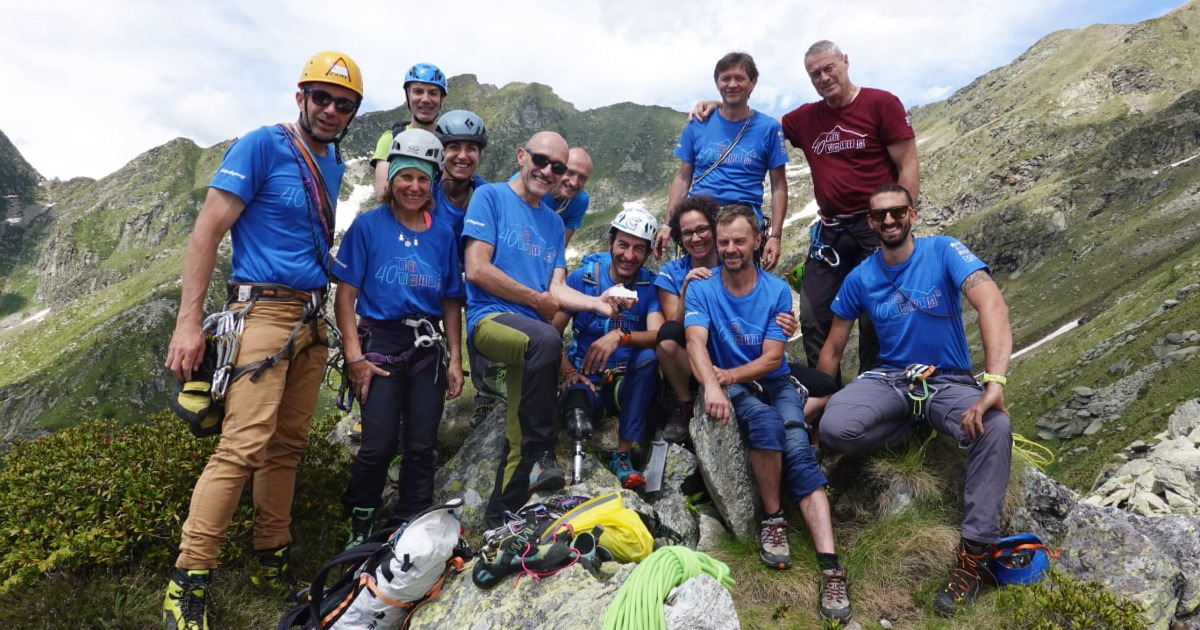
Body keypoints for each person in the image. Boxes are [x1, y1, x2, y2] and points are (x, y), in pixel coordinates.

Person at [161, 51, 363, 630]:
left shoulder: (331, 162)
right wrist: (187, 322)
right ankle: (188, 580)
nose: (329, 110)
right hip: (263, 314)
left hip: (309, 318)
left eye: (342, 104)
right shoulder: (261, 145)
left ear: (352, 113)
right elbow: (206, 232)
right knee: (242, 447)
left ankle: (270, 557)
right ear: (300, 96)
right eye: (320, 98)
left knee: (287, 446)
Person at [817, 184, 1012, 618]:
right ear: (869, 222)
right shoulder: (860, 277)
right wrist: (818, 405)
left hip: (948, 380)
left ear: (912, 214)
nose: (889, 221)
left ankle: (974, 555)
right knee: (836, 427)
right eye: (879, 215)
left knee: (995, 426)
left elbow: (991, 303)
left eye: (897, 212)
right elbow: (833, 347)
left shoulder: (944, 251)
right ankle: (915, 426)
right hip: (890, 379)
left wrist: (994, 381)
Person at [684, 204, 851, 621]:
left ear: (757, 241)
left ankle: (831, 567)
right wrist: (711, 385)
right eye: (723, 242)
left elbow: (773, 358)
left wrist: (726, 375)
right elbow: (693, 342)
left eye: (739, 240)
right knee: (763, 421)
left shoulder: (776, 290)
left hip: (766, 379)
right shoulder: (703, 289)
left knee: (797, 449)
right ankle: (773, 520)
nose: (729, 249)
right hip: (729, 384)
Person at [462, 131, 631, 529]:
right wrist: (535, 302)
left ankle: (501, 517)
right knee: (548, 337)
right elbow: (477, 268)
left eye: (558, 167)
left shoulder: (554, 225)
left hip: (532, 339)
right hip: (490, 321)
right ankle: (544, 456)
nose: (548, 172)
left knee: (519, 427)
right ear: (521, 155)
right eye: (541, 160)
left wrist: (597, 301)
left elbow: (556, 288)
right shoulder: (491, 198)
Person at [333, 128, 464, 549]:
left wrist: (457, 360)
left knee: (422, 445)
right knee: (378, 445)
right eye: (406, 177)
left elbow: (450, 302)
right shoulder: (368, 226)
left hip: (428, 346)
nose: (414, 186)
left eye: (423, 179)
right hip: (381, 344)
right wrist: (354, 359)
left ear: (433, 184)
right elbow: (346, 297)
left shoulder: (443, 234)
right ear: (391, 181)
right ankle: (362, 520)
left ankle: (412, 522)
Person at [654, 196, 799, 443]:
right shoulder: (674, 272)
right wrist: (686, 290)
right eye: (688, 233)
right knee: (667, 335)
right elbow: (675, 327)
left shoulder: (731, 259)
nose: (696, 238)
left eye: (702, 230)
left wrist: (784, 322)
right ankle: (685, 401)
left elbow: (758, 300)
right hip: (701, 356)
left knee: (822, 385)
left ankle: (795, 414)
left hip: (743, 355)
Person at [553, 207, 663, 488]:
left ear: (648, 253)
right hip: (584, 379)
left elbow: (656, 334)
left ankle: (622, 454)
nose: (629, 255)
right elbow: (552, 330)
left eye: (639, 249)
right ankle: (574, 467)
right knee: (577, 408)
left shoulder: (649, 287)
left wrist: (620, 336)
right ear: (611, 243)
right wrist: (567, 372)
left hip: (622, 384)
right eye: (623, 245)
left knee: (649, 358)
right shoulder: (585, 278)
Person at [654, 51, 789, 270]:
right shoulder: (698, 123)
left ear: (753, 83)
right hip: (700, 218)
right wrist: (667, 224)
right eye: (725, 79)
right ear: (717, 83)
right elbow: (683, 177)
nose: (732, 84)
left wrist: (775, 236)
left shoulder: (768, 129)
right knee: (696, 283)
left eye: (739, 78)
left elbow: (779, 187)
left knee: (737, 286)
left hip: (742, 218)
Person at [430, 110, 503, 428]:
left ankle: (487, 395)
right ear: (440, 151)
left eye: (471, 148)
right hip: (430, 279)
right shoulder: (426, 191)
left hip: (470, 277)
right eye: (453, 147)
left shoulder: (487, 195)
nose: (462, 155)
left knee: (483, 289)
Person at [371, 63, 447, 200]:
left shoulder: (449, 142)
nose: (425, 99)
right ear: (407, 95)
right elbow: (385, 196)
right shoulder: (391, 138)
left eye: (433, 93)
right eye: (418, 92)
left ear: (442, 99)